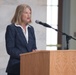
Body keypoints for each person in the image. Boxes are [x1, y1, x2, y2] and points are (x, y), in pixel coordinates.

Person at [5, 4, 37, 75]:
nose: (29, 15)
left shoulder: (31, 29)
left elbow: (33, 47)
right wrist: (26, 55)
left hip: (30, 66)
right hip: (16, 67)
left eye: (30, 13)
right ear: (19, 14)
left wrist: (34, 52)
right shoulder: (12, 28)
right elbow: (10, 49)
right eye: (26, 13)